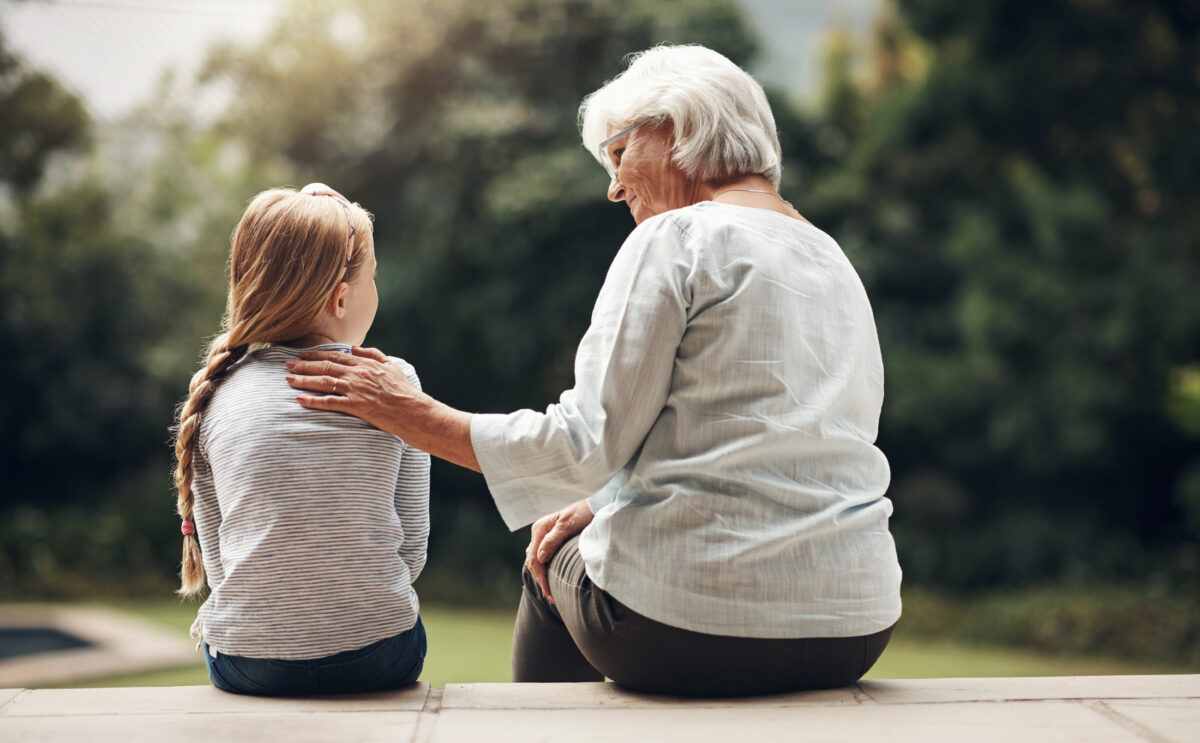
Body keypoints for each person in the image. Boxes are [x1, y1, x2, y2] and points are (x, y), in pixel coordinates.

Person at [285, 44, 902, 697]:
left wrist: (411, 413)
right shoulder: (830, 256)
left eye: (616, 154)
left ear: (673, 126)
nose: (613, 187)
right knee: (575, 522)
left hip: (688, 625)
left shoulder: (675, 237)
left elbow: (582, 445)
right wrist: (600, 501)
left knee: (550, 563)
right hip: (854, 625)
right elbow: (766, 445)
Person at [172, 183, 430, 696]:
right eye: (371, 279)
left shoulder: (217, 394)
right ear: (340, 298)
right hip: (382, 656)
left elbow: (222, 568)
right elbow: (413, 552)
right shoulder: (396, 383)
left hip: (248, 666)